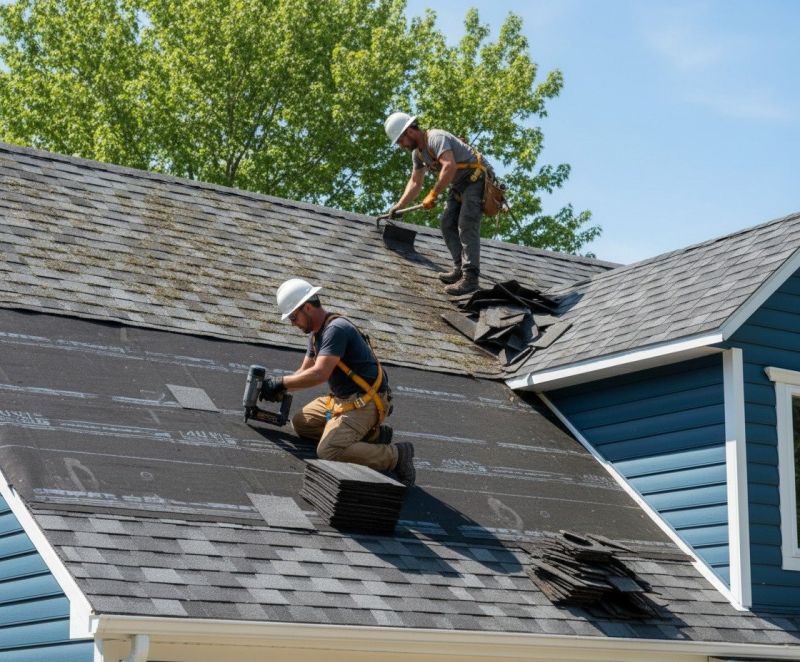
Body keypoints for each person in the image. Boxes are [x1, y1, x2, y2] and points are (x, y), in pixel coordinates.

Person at [260, 277, 416, 486]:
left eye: (293, 317)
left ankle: (396, 456)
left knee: (328, 451)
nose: (292, 323)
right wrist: (280, 387)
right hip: (342, 400)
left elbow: (319, 374)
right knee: (300, 423)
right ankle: (371, 436)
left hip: (366, 401)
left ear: (307, 307)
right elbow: (304, 371)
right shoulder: (317, 334)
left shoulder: (336, 330)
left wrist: (281, 383)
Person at [385, 111, 490, 296]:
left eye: (400, 141)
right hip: (458, 185)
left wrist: (433, 194)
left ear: (409, 131)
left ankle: (470, 278)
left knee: (466, 224)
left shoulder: (436, 138)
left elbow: (449, 166)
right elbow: (415, 182)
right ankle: (460, 268)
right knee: (447, 223)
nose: (401, 146)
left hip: (476, 180)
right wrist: (399, 206)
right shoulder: (418, 154)